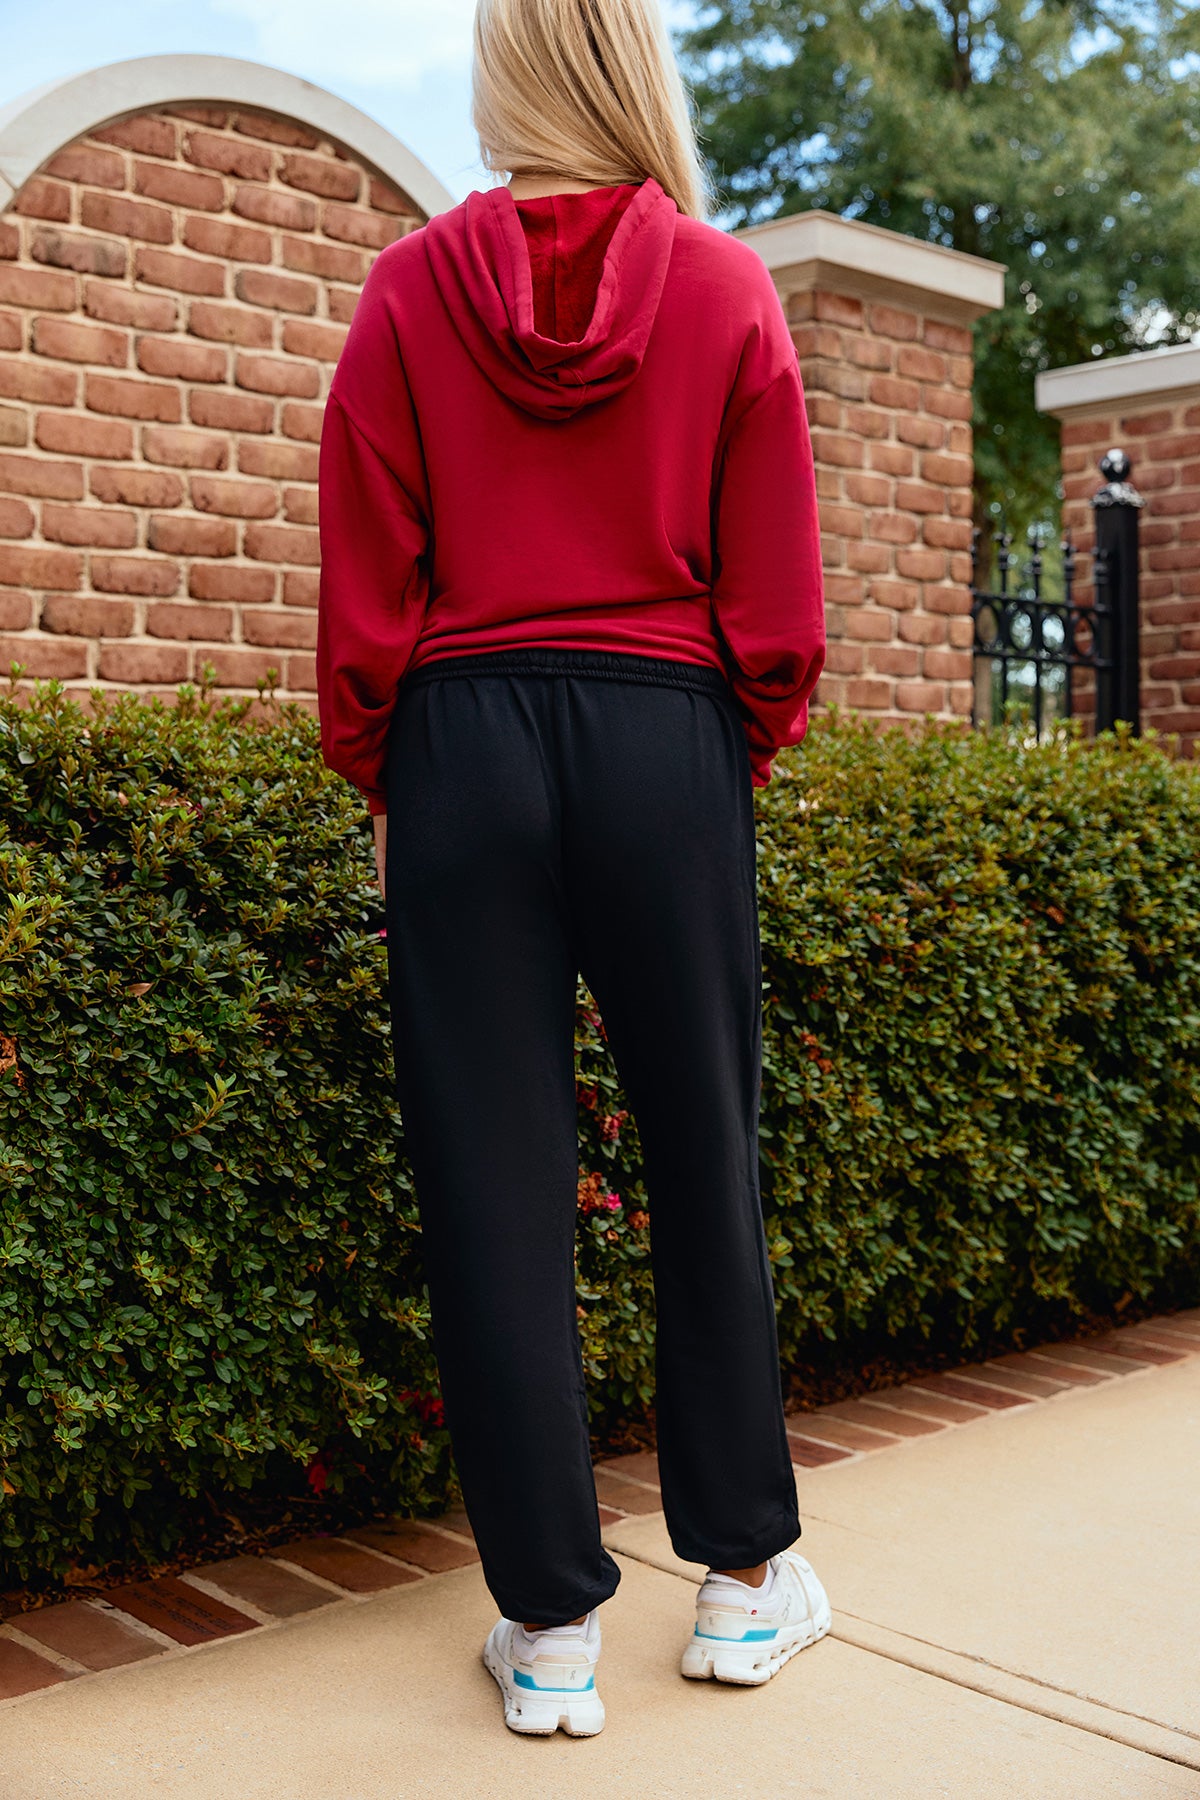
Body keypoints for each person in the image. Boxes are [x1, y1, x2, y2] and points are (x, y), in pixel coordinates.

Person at [316, 0, 831, 1740]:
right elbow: (777, 595)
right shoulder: (726, 290)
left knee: (492, 1174)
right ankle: (745, 1583)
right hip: (663, 731)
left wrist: (388, 761)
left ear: (506, 75)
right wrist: (725, 749)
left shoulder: (407, 294)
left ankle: (547, 1630)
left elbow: (367, 567)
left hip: (462, 735)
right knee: (704, 1146)